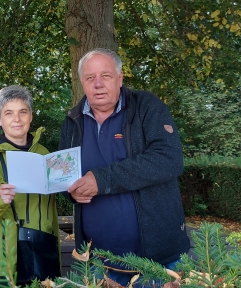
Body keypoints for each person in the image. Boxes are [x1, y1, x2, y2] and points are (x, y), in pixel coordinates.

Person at [59, 48, 190, 286]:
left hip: (154, 259)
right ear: (82, 83)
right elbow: (65, 178)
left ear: (120, 78)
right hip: (97, 261)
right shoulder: (72, 121)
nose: (98, 84)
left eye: (106, 76)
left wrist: (102, 180)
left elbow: (168, 159)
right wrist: (70, 191)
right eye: (90, 78)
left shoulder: (146, 107)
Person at [0, 85, 60, 282]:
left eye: (22, 112)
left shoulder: (44, 154)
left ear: (31, 117)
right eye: (9, 113)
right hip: (0, 257)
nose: (17, 119)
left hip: (42, 250)